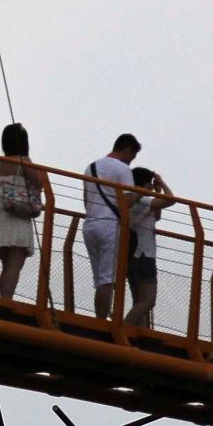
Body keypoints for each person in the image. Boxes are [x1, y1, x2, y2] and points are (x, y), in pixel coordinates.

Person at [0, 123, 44, 300]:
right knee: (15, 264)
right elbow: (38, 182)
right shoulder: (24, 162)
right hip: (18, 218)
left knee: (7, 264)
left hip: (1, 215)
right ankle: (6, 301)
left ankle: (4, 298)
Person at [82, 135, 139, 319]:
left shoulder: (90, 167)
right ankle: (102, 320)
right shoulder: (123, 169)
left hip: (90, 224)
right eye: (132, 156)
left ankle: (103, 316)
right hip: (110, 225)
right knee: (107, 279)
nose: (131, 161)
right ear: (128, 149)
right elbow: (128, 201)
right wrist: (140, 195)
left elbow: (86, 199)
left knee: (99, 279)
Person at [125, 166, 174, 328]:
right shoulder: (144, 200)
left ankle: (136, 334)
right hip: (144, 255)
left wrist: (157, 191)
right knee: (148, 301)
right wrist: (161, 182)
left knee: (139, 301)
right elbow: (170, 200)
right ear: (144, 185)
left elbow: (156, 216)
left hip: (132, 255)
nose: (152, 189)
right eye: (150, 185)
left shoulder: (132, 201)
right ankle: (124, 328)